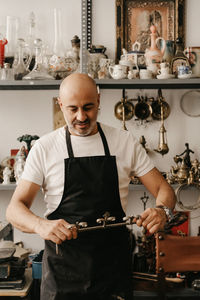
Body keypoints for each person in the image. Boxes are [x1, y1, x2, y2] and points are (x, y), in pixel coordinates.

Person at [6, 73, 176, 300]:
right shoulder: (45, 148)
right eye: (72, 109)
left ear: (99, 99)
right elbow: (14, 210)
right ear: (60, 104)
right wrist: (40, 225)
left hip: (112, 275)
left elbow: (164, 189)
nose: (81, 116)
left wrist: (162, 210)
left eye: (88, 107)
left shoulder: (123, 142)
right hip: (63, 276)